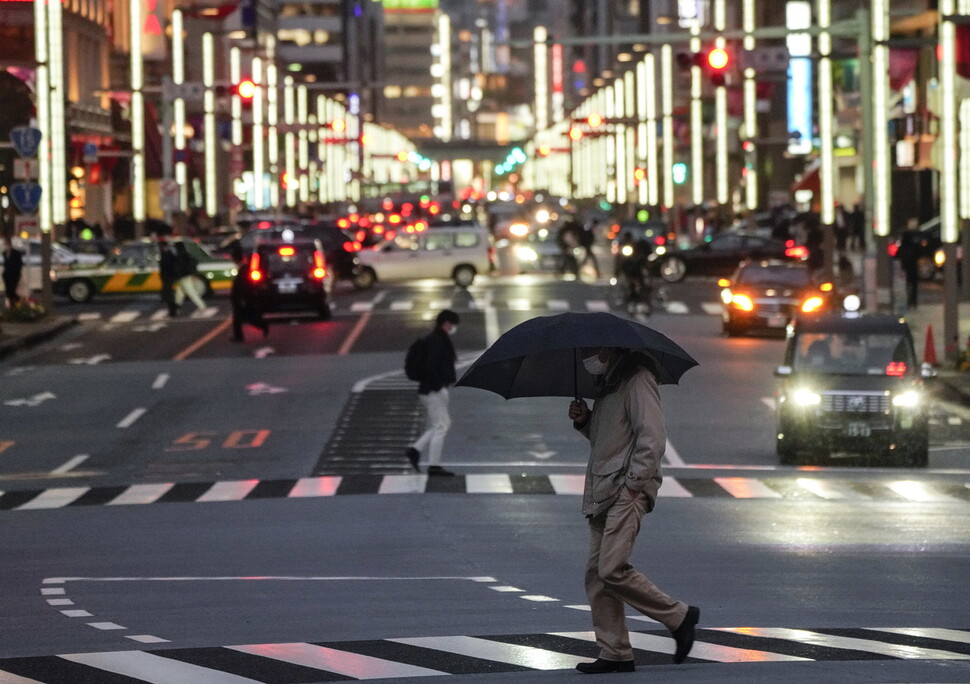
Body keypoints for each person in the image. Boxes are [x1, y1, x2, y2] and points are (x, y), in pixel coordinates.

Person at [568, 347, 699, 674]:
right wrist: (585, 421)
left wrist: (634, 483)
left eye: (592, 350)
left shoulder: (638, 379)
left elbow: (651, 438)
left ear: (610, 348)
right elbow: (609, 439)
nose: (588, 358)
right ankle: (615, 652)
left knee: (611, 568)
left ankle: (679, 616)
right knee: (596, 576)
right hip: (603, 489)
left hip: (626, 488)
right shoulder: (609, 383)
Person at [405, 309, 460, 477]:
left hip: (429, 389)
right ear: (446, 323)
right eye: (453, 324)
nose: (454, 328)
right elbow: (431, 366)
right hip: (433, 390)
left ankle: (415, 450)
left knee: (443, 423)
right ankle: (434, 465)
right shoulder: (437, 341)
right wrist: (439, 386)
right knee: (441, 426)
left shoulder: (436, 338)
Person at [229, 252, 268, 342]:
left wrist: (242, 298)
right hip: (240, 297)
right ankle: (239, 336)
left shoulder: (244, 269)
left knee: (243, 317)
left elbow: (243, 285)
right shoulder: (243, 268)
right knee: (240, 318)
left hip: (241, 298)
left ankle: (261, 325)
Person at [173, 241, 207, 313]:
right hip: (186, 276)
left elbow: (178, 267)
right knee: (179, 294)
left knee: (191, 293)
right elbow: (194, 262)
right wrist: (193, 273)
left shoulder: (179, 256)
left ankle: (202, 306)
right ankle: (176, 308)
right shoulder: (187, 255)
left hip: (184, 277)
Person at [895, 217, 921, 309]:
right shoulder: (914, 241)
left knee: (906, 284)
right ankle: (913, 301)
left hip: (905, 265)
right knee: (914, 284)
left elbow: (897, 254)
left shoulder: (903, 243)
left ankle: (908, 301)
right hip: (913, 265)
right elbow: (918, 252)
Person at [158, 238, 180, 317]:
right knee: (168, 293)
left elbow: (166, 266)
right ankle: (173, 309)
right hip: (168, 276)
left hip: (168, 276)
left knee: (168, 294)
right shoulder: (168, 253)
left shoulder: (167, 254)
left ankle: (173, 310)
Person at [1, 238, 25, 309]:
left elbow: (19, 264)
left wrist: (18, 273)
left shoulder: (16, 253)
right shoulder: (4, 253)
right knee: (9, 291)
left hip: (14, 275)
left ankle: (16, 303)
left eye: (6, 244)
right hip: (7, 275)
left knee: (12, 290)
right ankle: (13, 305)